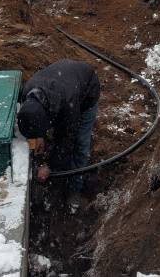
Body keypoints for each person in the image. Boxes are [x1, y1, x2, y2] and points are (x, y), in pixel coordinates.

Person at [16, 59, 100, 210]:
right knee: (60, 140)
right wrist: (38, 137)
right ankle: (62, 166)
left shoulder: (69, 104)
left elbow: (67, 138)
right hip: (64, 79)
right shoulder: (27, 93)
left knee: (80, 144)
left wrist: (49, 166)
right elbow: (32, 123)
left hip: (86, 91)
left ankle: (75, 188)